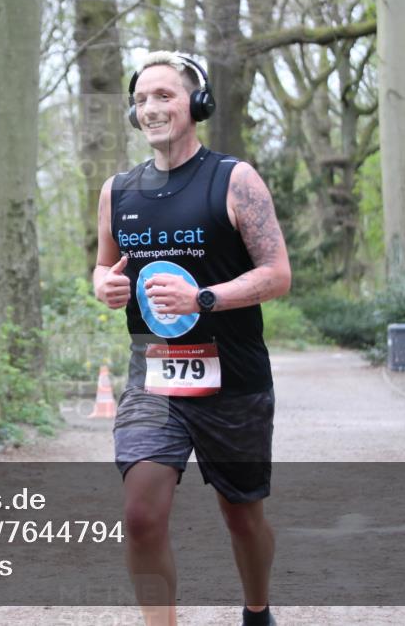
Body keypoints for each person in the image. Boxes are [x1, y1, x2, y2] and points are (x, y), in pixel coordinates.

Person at [93, 51, 291, 626]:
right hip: (153, 374)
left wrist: (205, 298)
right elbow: (105, 269)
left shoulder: (235, 180)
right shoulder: (118, 192)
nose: (151, 108)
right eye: (142, 100)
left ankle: (257, 610)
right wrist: (104, 285)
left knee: (242, 514)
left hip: (233, 375)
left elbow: (277, 274)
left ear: (195, 105)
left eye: (165, 96)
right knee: (141, 516)